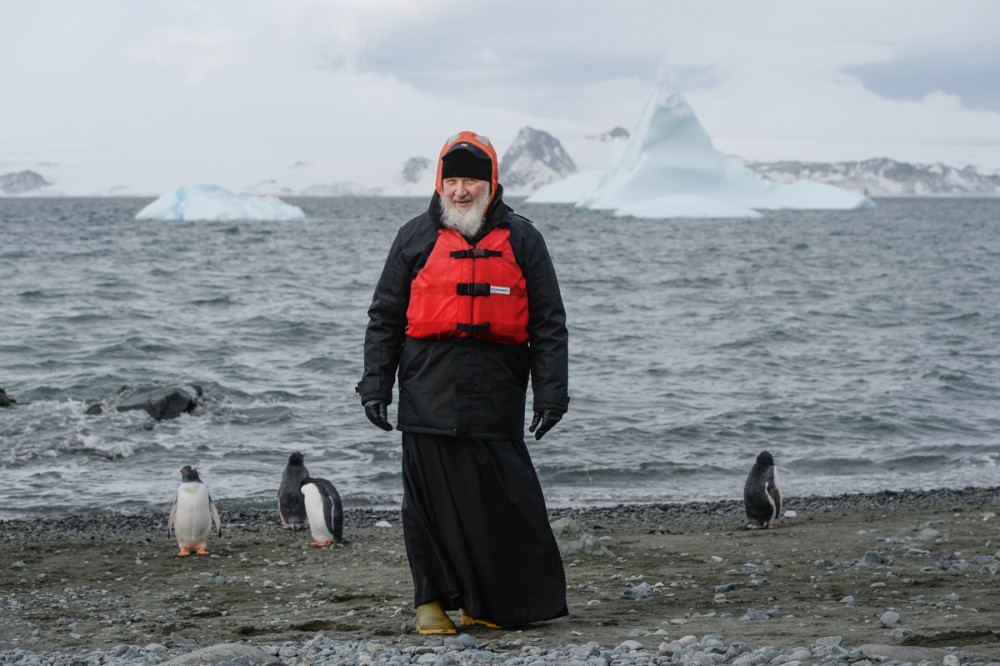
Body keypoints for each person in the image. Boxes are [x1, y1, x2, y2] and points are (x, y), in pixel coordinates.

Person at [356, 130, 570, 635]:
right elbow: (384, 318)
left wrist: (551, 394)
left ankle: (486, 603)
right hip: (427, 389)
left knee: (503, 502)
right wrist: (375, 386)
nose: (460, 190)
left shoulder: (524, 239)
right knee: (427, 505)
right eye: (451, 180)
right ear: (439, 182)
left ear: (490, 184)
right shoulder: (413, 236)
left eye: (470, 181)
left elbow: (548, 323)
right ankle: (430, 604)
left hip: (496, 392)